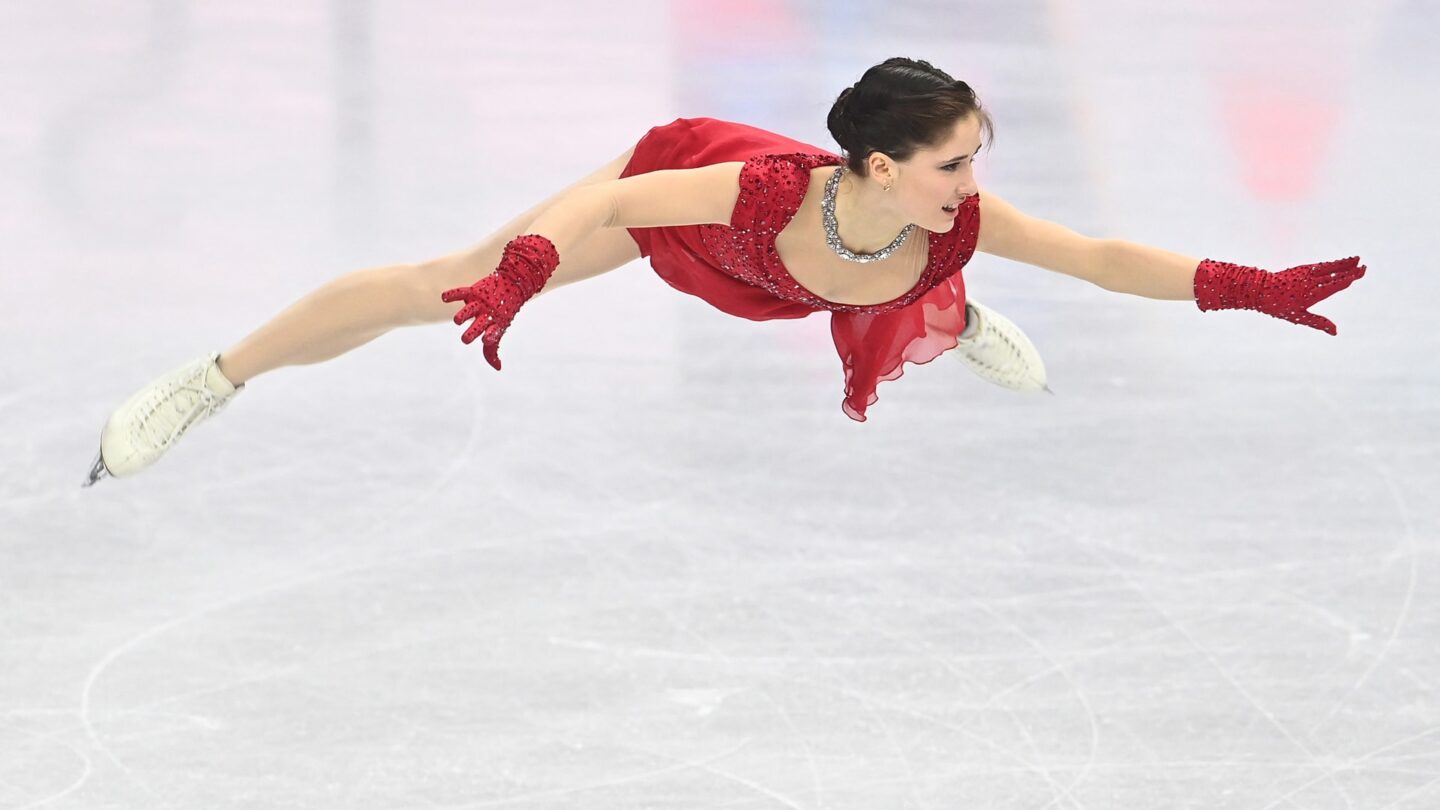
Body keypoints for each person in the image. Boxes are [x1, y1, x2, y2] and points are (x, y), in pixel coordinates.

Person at [82, 57, 1365, 487]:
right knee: (446, 277)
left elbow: (1095, 255)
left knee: (926, 275)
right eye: (951, 165)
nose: (974, 183)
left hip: (843, 274)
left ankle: (947, 314)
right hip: (694, 234)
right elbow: (624, 197)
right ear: (869, 162)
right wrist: (527, 266)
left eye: (978, 159)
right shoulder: (756, 186)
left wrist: (1245, 285)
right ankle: (214, 378)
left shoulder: (944, 216)